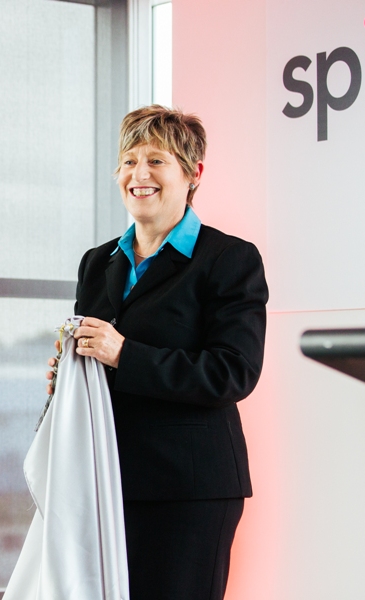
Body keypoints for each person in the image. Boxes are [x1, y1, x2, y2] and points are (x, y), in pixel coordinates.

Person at [46, 105, 268, 599]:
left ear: (193, 175)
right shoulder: (97, 262)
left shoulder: (230, 259)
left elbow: (233, 372)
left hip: (189, 490)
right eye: (128, 160)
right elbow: (94, 358)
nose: (138, 174)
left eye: (156, 161)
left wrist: (124, 354)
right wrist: (69, 373)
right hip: (102, 482)